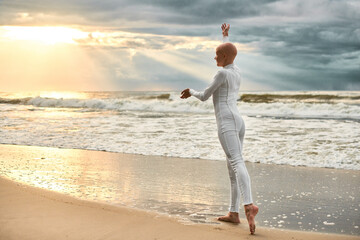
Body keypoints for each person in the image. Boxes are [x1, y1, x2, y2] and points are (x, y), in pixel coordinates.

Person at [180, 23, 259, 235]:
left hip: (226, 121)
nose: (214, 58)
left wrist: (191, 92)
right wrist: (225, 36)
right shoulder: (236, 70)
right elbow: (229, 52)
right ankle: (234, 213)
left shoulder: (221, 75)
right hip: (238, 121)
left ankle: (249, 206)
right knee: (233, 166)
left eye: (217, 55)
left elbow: (205, 96)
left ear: (223, 57)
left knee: (236, 162)